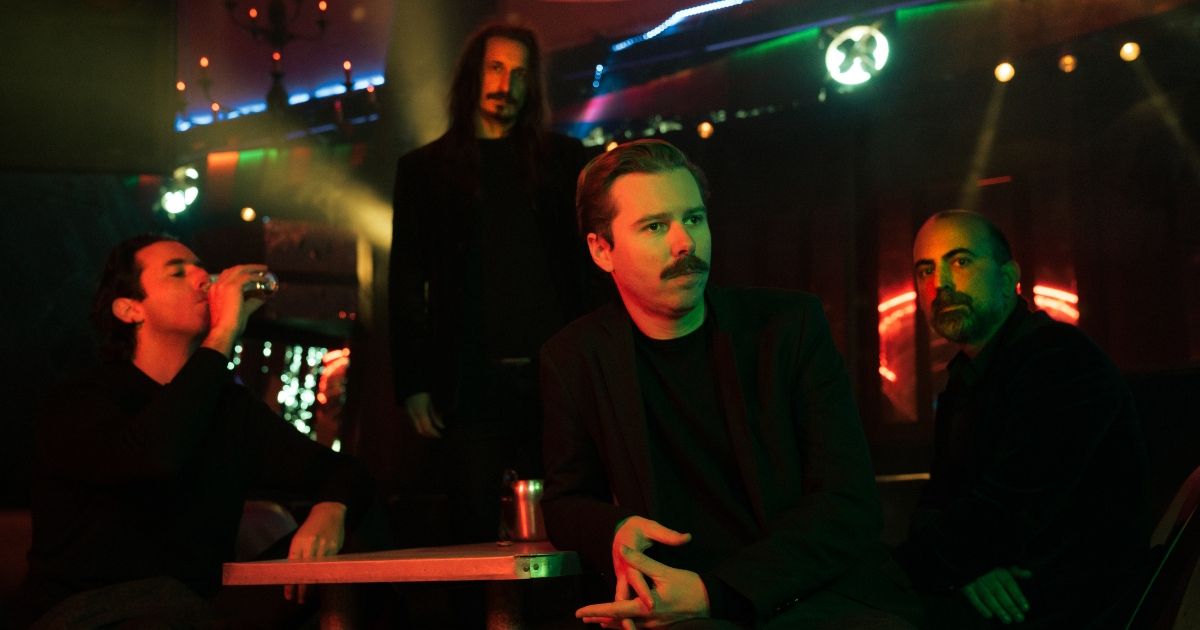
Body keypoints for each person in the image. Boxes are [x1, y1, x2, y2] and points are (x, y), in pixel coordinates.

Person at [540, 139, 920, 628]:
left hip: (811, 596)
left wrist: (716, 594)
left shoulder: (789, 327)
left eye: (694, 219)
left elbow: (848, 504)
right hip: (678, 606)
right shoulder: (575, 357)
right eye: (655, 226)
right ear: (602, 250)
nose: (685, 243)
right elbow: (565, 501)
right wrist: (615, 529)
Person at [17, 234, 375, 628]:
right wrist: (223, 334)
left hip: (199, 608)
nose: (202, 277)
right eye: (177, 273)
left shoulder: (227, 406)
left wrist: (330, 510)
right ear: (130, 309)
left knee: (355, 539)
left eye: (201, 267)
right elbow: (155, 456)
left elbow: (346, 472)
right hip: (92, 612)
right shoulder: (78, 401)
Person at [895, 210, 1149, 628]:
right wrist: (965, 563)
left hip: (1067, 608)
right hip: (1019, 599)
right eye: (926, 270)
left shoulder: (1060, 362)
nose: (941, 284)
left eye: (961, 261)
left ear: (1008, 276)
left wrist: (937, 560)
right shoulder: (966, 380)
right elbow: (940, 504)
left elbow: (1008, 516)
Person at [389, 21, 589, 542]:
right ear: (473, 76)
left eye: (520, 74)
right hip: (469, 383)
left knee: (570, 525)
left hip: (554, 378)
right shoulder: (424, 171)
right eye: (496, 69)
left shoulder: (566, 161)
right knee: (470, 531)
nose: (507, 84)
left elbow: (588, 269)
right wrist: (413, 383)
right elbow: (406, 280)